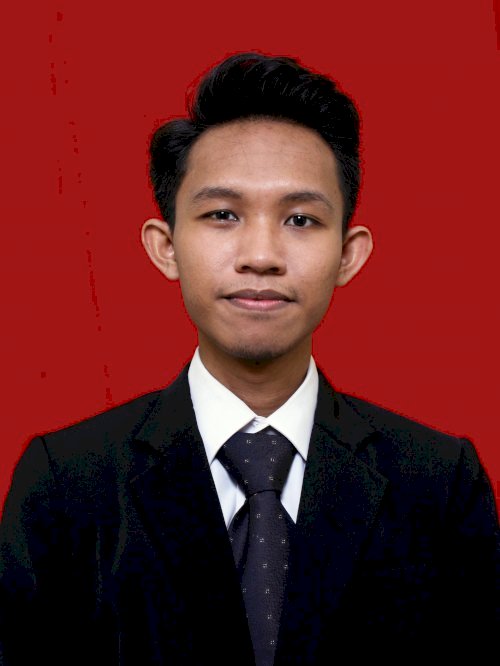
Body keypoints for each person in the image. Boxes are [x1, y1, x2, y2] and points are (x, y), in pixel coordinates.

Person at [0, 52, 498, 665]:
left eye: (300, 219)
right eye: (222, 215)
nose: (261, 255)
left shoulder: (439, 484)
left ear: (349, 254)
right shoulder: (66, 482)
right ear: (165, 246)